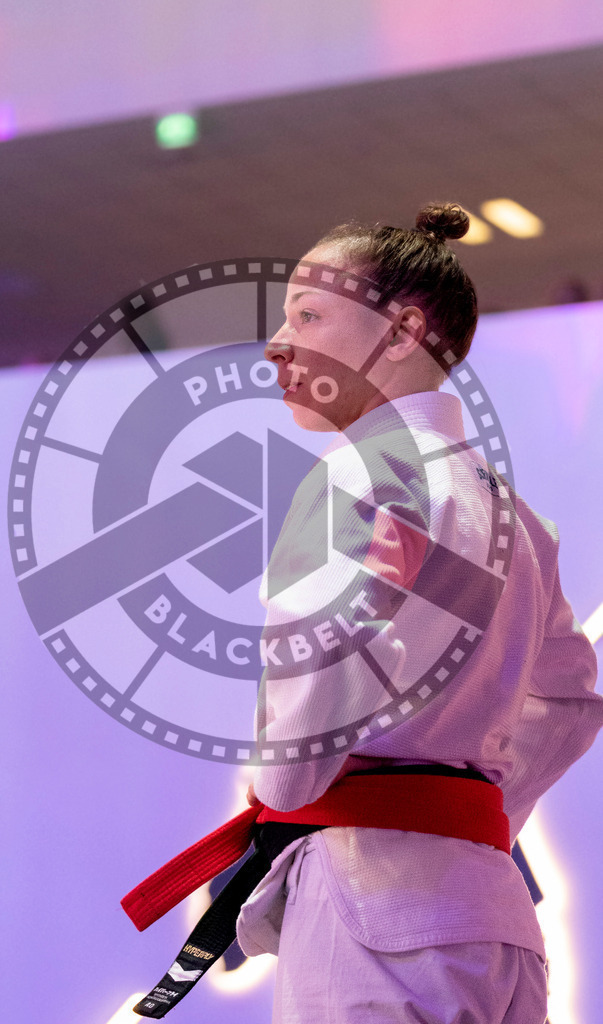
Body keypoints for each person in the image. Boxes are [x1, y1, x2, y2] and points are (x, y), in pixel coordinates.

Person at [236, 202, 603, 1024]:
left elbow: (321, 657)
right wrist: (471, 813)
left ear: (401, 331)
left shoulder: (358, 477)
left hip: (373, 906)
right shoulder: (514, 516)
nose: (278, 344)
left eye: (308, 314)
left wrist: (284, 784)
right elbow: (570, 703)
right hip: (491, 911)